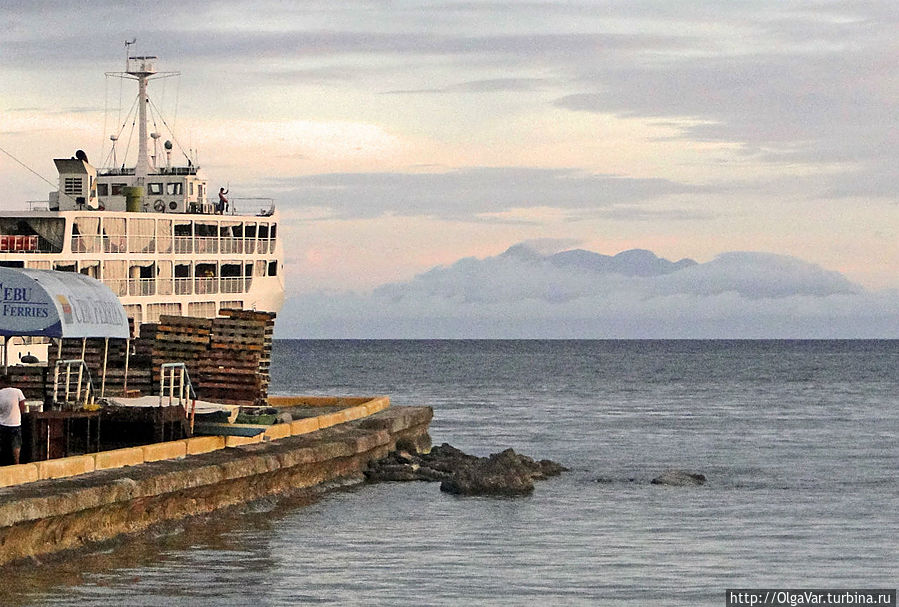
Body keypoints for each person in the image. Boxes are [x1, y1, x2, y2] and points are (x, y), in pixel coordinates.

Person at [0, 375, 26, 465]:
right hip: (15, 423)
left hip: (2, 424)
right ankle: (16, 463)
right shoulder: (18, 392)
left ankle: (3, 463)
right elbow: (22, 406)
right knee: (16, 445)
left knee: (3, 445)